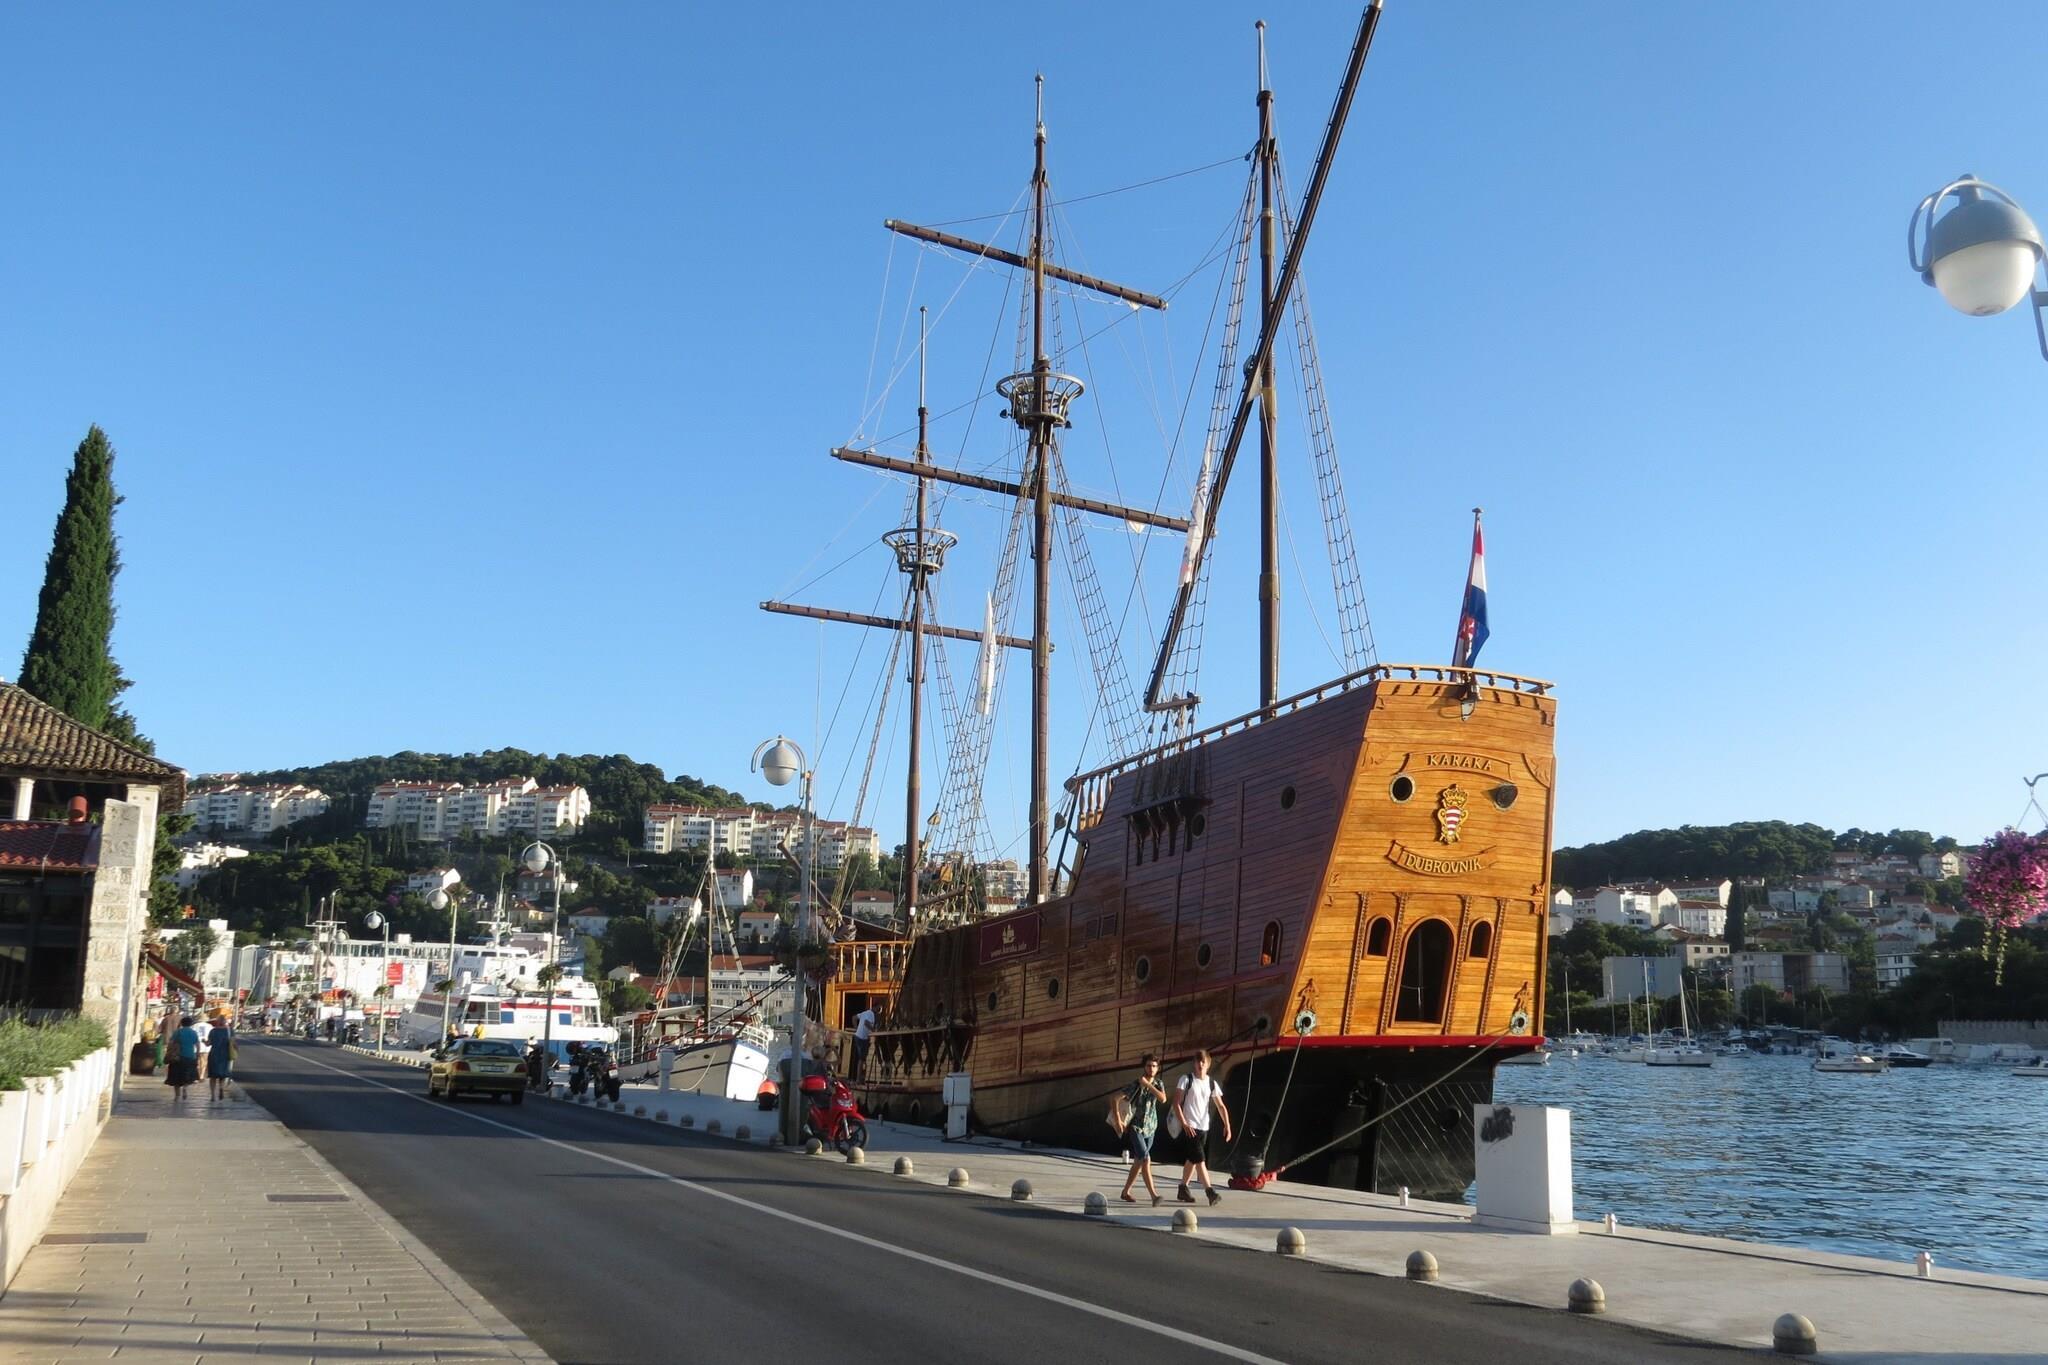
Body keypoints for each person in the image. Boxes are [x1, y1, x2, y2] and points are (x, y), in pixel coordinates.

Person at [1174, 1049, 1232, 1206]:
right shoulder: (1186, 1080)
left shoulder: (1211, 1083)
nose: (1200, 1064)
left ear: (1208, 1064)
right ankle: (1210, 1192)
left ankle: (1183, 1188)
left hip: (1204, 1127)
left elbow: (1221, 1106)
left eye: (1203, 1062)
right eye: (1197, 1061)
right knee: (1200, 1159)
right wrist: (1184, 1123)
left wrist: (1227, 1125)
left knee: (1192, 1159)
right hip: (1190, 1127)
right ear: (1194, 1063)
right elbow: (1176, 1103)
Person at [1116, 1053, 1170, 1206]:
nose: (1151, 1068)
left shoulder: (1158, 1084)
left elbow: (1163, 1099)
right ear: (1144, 1067)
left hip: (1151, 1128)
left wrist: (1148, 1085)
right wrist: (1119, 1119)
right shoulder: (1136, 1084)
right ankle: (1154, 1196)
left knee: (1139, 1161)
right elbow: (1114, 1099)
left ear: (1157, 1068)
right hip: (1136, 1127)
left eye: (1154, 1066)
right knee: (1146, 1159)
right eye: (1148, 1065)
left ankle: (1125, 1192)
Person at [164, 1014, 202, 1101]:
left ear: (181, 1023)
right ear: (190, 1024)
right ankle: (185, 1088)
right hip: (190, 1056)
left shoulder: (178, 1032)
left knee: (176, 1077)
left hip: (178, 1057)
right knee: (187, 1075)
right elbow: (197, 1044)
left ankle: (177, 1096)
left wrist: (169, 1051)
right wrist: (197, 1054)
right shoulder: (193, 1033)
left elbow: (171, 1043)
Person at [205, 1015, 235, 1101]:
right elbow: (233, 1043)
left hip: (214, 1054)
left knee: (213, 1076)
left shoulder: (213, 1031)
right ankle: (221, 1088)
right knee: (223, 1074)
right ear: (225, 1022)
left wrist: (204, 1041)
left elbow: (208, 1043)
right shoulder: (230, 1031)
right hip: (225, 1055)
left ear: (217, 1022)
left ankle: (213, 1096)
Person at [851, 1005, 877, 1079]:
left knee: (862, 1058)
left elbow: (854, 1017)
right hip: (862, 1038)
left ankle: (860, 1077)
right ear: (875, 1007)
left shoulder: (865, 1012)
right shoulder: (871, 1014)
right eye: (879, 1008)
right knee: (862, 1059)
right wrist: (874, 1030)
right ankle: (858, 1078)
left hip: (859, 1037)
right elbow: (866, 1023)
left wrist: (856, 1029)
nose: (879, 1011)